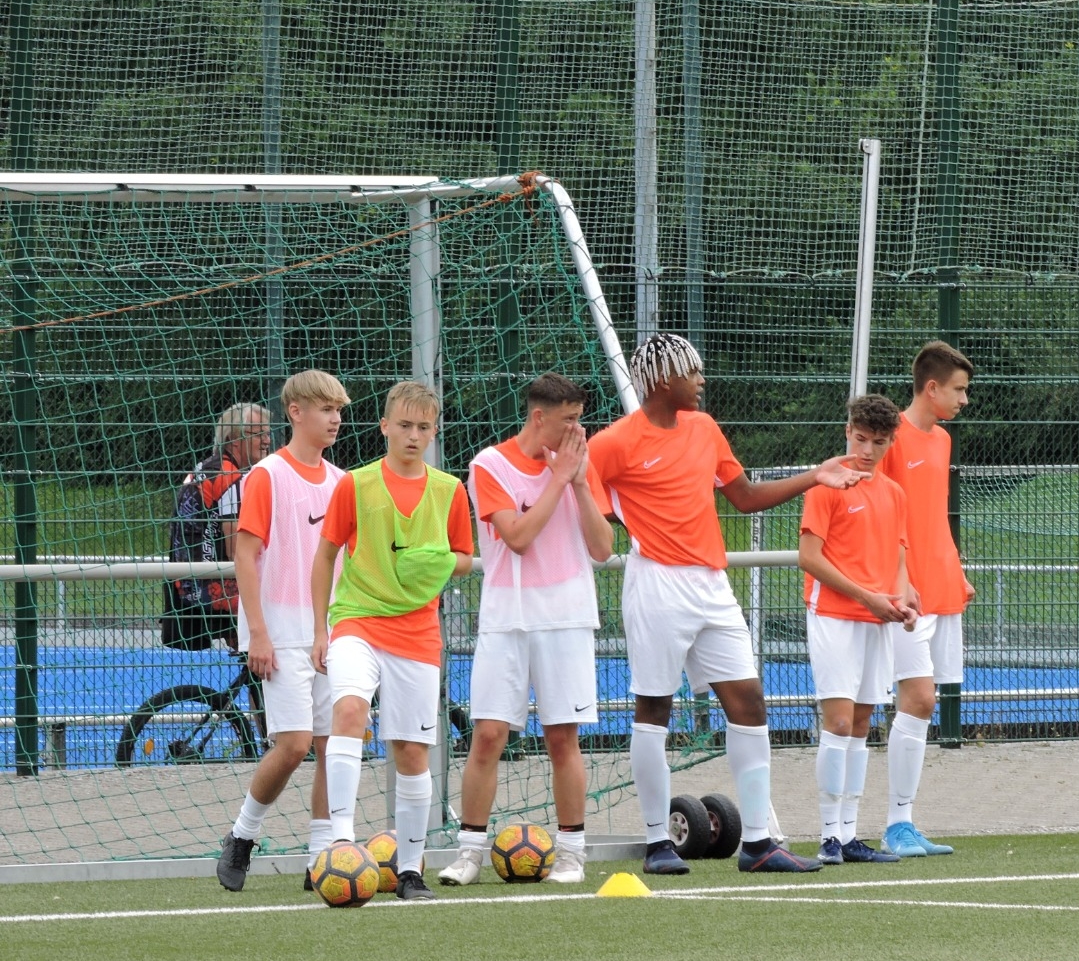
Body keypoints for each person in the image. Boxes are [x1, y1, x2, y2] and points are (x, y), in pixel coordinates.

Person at [586, 332, 865, 876]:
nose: (701, 380)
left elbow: (745, 497)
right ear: (663, 380)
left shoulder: (705, 428)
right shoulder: (612, 443)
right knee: (654, 708)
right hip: (656, 584)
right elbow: (595, 513)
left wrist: (817, 475)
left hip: (713, 585)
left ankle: (758, 844)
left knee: (750, 703)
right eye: (692, 372)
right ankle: (656, 843)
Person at [439, 374, 614, 886]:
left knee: (563, 737)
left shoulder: (577, 467)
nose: (578, 429)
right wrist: (558, 479)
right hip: (507, 619)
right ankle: (469, 854)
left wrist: (577, 482)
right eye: (569, 419)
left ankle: (572, 854)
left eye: (580, 418)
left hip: (567, 617)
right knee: (488, 735)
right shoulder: (488, 465)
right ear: (540, 417)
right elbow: (517, 537)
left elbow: (603, 548)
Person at [310, 381, 475, 901]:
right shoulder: (355, 485)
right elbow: (325, 555)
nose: (413, 435)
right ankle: (341, 844)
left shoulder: (450, 490)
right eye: (404, 425)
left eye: (423, 427)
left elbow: (464, 557)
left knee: (410, 752)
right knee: (348, 712)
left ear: (434, 431)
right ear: (384, 426)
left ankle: (409, 871)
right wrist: (320, 629)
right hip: (357, 621)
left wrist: (436, 561)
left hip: (417, 634)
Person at [216, 371, 349, 891]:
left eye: (339, 410)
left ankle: (322, 858)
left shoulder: (341, 481)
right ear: (296, 412)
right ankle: (242, 835)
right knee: (293, 745)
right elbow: (246, 555)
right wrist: (258, 633)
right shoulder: (267, 475)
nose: (336, 419)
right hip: (281, 633)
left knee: (333, 746)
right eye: (326, 409)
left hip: (330, 633)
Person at [798, 394, 912, 865]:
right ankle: (828, 835)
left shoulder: (894, 493)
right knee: (840, 722)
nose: (867, 450)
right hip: (834, 615)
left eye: (878, 442)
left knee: (863, 724)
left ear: (891, 442)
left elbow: (899, 560)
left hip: (876, 619)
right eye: (861, 438)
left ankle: (849, 836)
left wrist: (903, 599)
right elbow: (809, 558)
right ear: (848, 431)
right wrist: (867, 597)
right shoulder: (826, 486)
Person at [876, 341, 975, 857]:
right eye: (958, 390)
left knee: (924, 702)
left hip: (940, 587)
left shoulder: (943, 440)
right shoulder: (889, 436)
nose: (964, 399)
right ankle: (893, 825)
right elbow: (881, 516)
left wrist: (956, 572)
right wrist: (899, 577)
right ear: (931, 387)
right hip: (904, 593)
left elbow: (933, 516)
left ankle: (903, 823)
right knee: (917, 698)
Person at [163, 401, 273, 650]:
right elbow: (236, 551)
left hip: (188, 582)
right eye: (259, 434)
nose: (267, 440)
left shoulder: (207, 467)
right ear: (234, 439)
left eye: (267, 433)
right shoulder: (229, 476)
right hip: (209, 586)